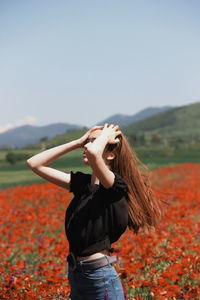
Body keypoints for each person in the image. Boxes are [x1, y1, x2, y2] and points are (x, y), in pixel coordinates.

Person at [27, 123, 165, 300]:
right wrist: (77, 142)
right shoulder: (83, 185)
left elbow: (93, 155)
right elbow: (35, 163)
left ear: (111, 155)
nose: (87, 146)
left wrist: (105, 135)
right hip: (77, 275)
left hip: (100, 277)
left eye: (94, 142)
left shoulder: (115, 187)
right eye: (87, 142)